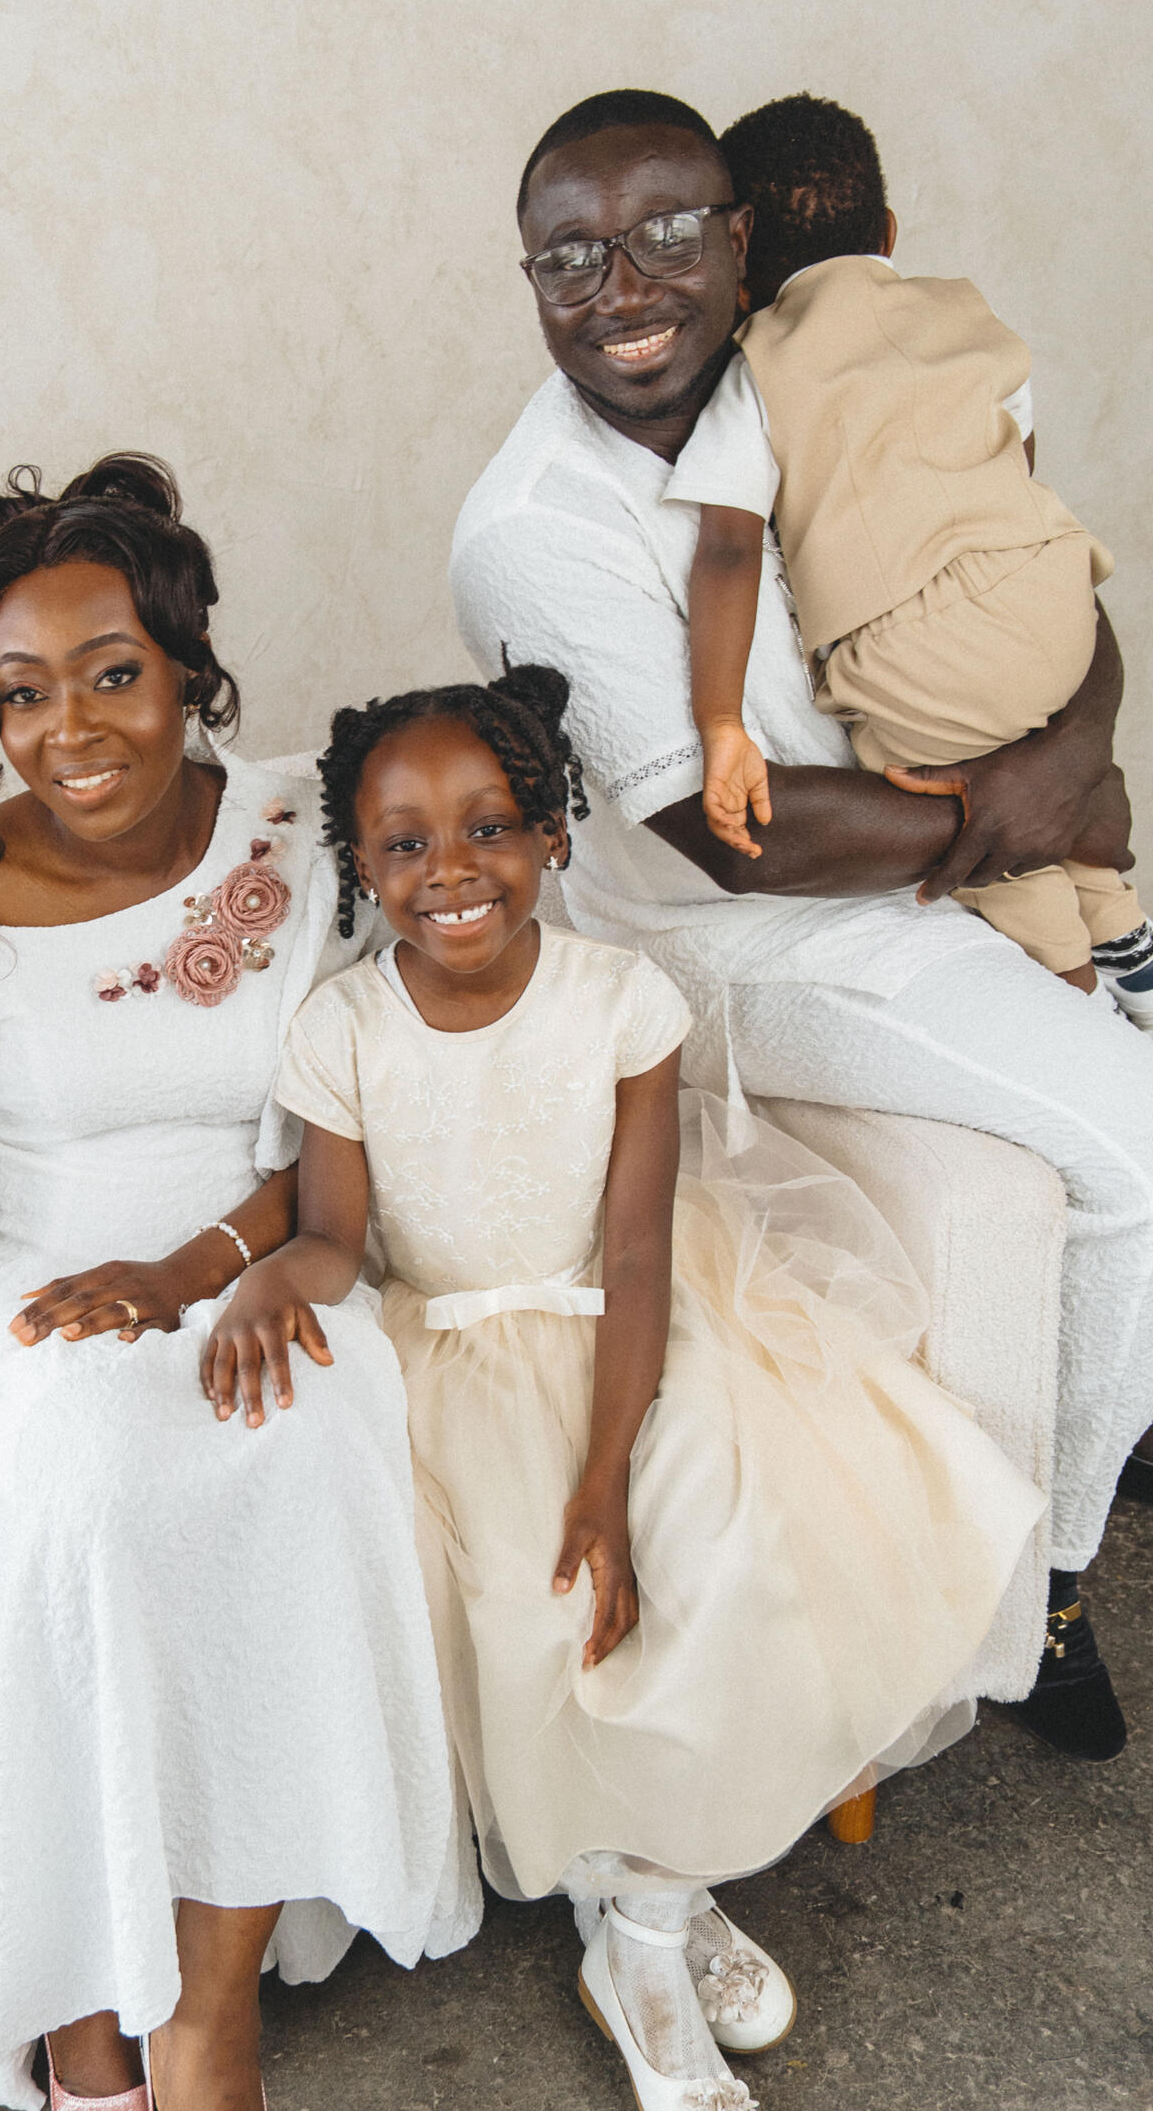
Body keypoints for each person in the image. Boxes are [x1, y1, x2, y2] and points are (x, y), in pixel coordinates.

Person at [203, 666, 1043, 2111]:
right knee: (529, 1602)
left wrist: (607, 1472)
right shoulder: (341, 1029)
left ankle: (649, 1933)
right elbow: (336, 1235)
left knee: (721, 1524)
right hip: (450, 1351)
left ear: (552, 834)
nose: (450, 871)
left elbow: (641, 1247)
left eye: (490, 828)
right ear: (363, 865)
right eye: (405, 844)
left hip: (633, 1322)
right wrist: (278, 1275)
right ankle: (646, 1897)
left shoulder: (620, 1001)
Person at [449, 86, 1153, 1763]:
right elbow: (735, 841)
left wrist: (1070, 744)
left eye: (666, 234)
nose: (624, 289)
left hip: (935, 865)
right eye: (571, 258)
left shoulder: (818, 376)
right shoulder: (532, 531)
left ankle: (1114, 1409)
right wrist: (1026, 804)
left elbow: (1046, 585)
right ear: (531, 282)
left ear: (743, 239)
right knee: (1141, 1142)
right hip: (749, 947)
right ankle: (1047, 1582)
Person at [0, 456, 460, 2111]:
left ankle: (204, 2012)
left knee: (300, 1447)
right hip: (25, 1289)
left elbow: (352, 1113)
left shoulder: (301, 835)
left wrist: (208, 1267)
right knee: (83, 1495)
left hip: (261, 1253)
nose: (68, 729)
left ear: (187, 669)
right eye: (22, 694)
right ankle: (83, 2003)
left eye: (110, 676)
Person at [674, 94, 1151, 1024]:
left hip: (919, 649)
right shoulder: (963, 311)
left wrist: (721, 721)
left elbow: (728, 551)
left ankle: (1074, 994)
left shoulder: (757, 368)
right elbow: (1016, 464)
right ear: (887, 232)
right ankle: (1122, 926)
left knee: (978, 816)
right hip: (1055, 594)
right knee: (1038, 748)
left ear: (738, 256)